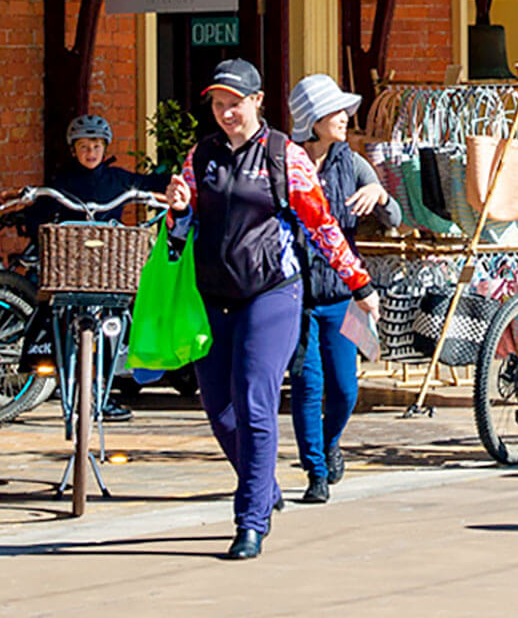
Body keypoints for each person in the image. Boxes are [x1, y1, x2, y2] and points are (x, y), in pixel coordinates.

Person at [165, 59, 380, 560]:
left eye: (234, 103)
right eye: (218, 105)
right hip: (213, 297)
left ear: (257, 101)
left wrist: (359, 282)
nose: (225, 113)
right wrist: (177, 207)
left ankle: (250, 521)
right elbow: (180, 229)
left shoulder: (284, 155)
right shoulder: (202, 156)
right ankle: (264, 486)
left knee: (254, 399)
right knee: (219, 412)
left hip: (273, 292)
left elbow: (323, 226)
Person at [286, 74, 402, 504]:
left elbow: (395, 216)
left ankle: (330, 441)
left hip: (343, 295)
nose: (345, 117)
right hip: (295, 295)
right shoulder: (286, 163)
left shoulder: (351, 162)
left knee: (345, 389)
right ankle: (314, 472)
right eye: (335, 111)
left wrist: (379, 193)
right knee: (306, 385)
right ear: (312, 120)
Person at [23, 114, 171, 422]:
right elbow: (38, 214)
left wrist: (170, 179)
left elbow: (150, 185)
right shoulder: (62, 182)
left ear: (105, 149)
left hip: (108, 266)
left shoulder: (117, 179)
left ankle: (102, 390)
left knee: (114, 321)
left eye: (96, 146)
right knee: (58, 320)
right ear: (72, 149)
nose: (91, 153)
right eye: (83, 146)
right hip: (70, 266)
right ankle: (71, 384)